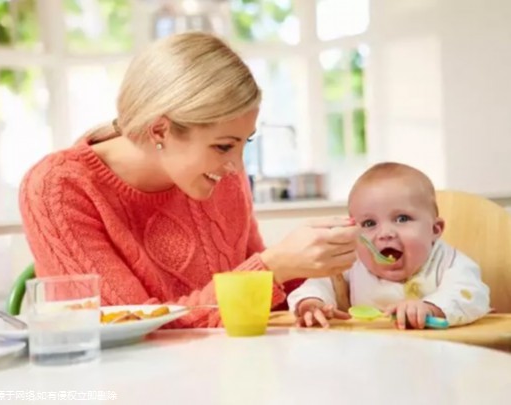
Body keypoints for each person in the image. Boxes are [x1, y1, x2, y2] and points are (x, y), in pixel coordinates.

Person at [19, 32, 359, 328]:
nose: (236, 167)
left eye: (244, 143)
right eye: (224, 146)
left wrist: (313, 277)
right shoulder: (57, 189)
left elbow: (260, 301)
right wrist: (274, 268)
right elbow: (127, 326)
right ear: (160, 129)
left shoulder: (220, 176)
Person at [288, 162, 491, 329]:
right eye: (369, 224)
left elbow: (470, 294)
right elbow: (317, 284)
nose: (385, 233)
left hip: (436, 357)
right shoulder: (351, 264)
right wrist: (311, 304)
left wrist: (431, 307)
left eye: (402, 218)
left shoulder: (448, 262)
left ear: (435, 229)